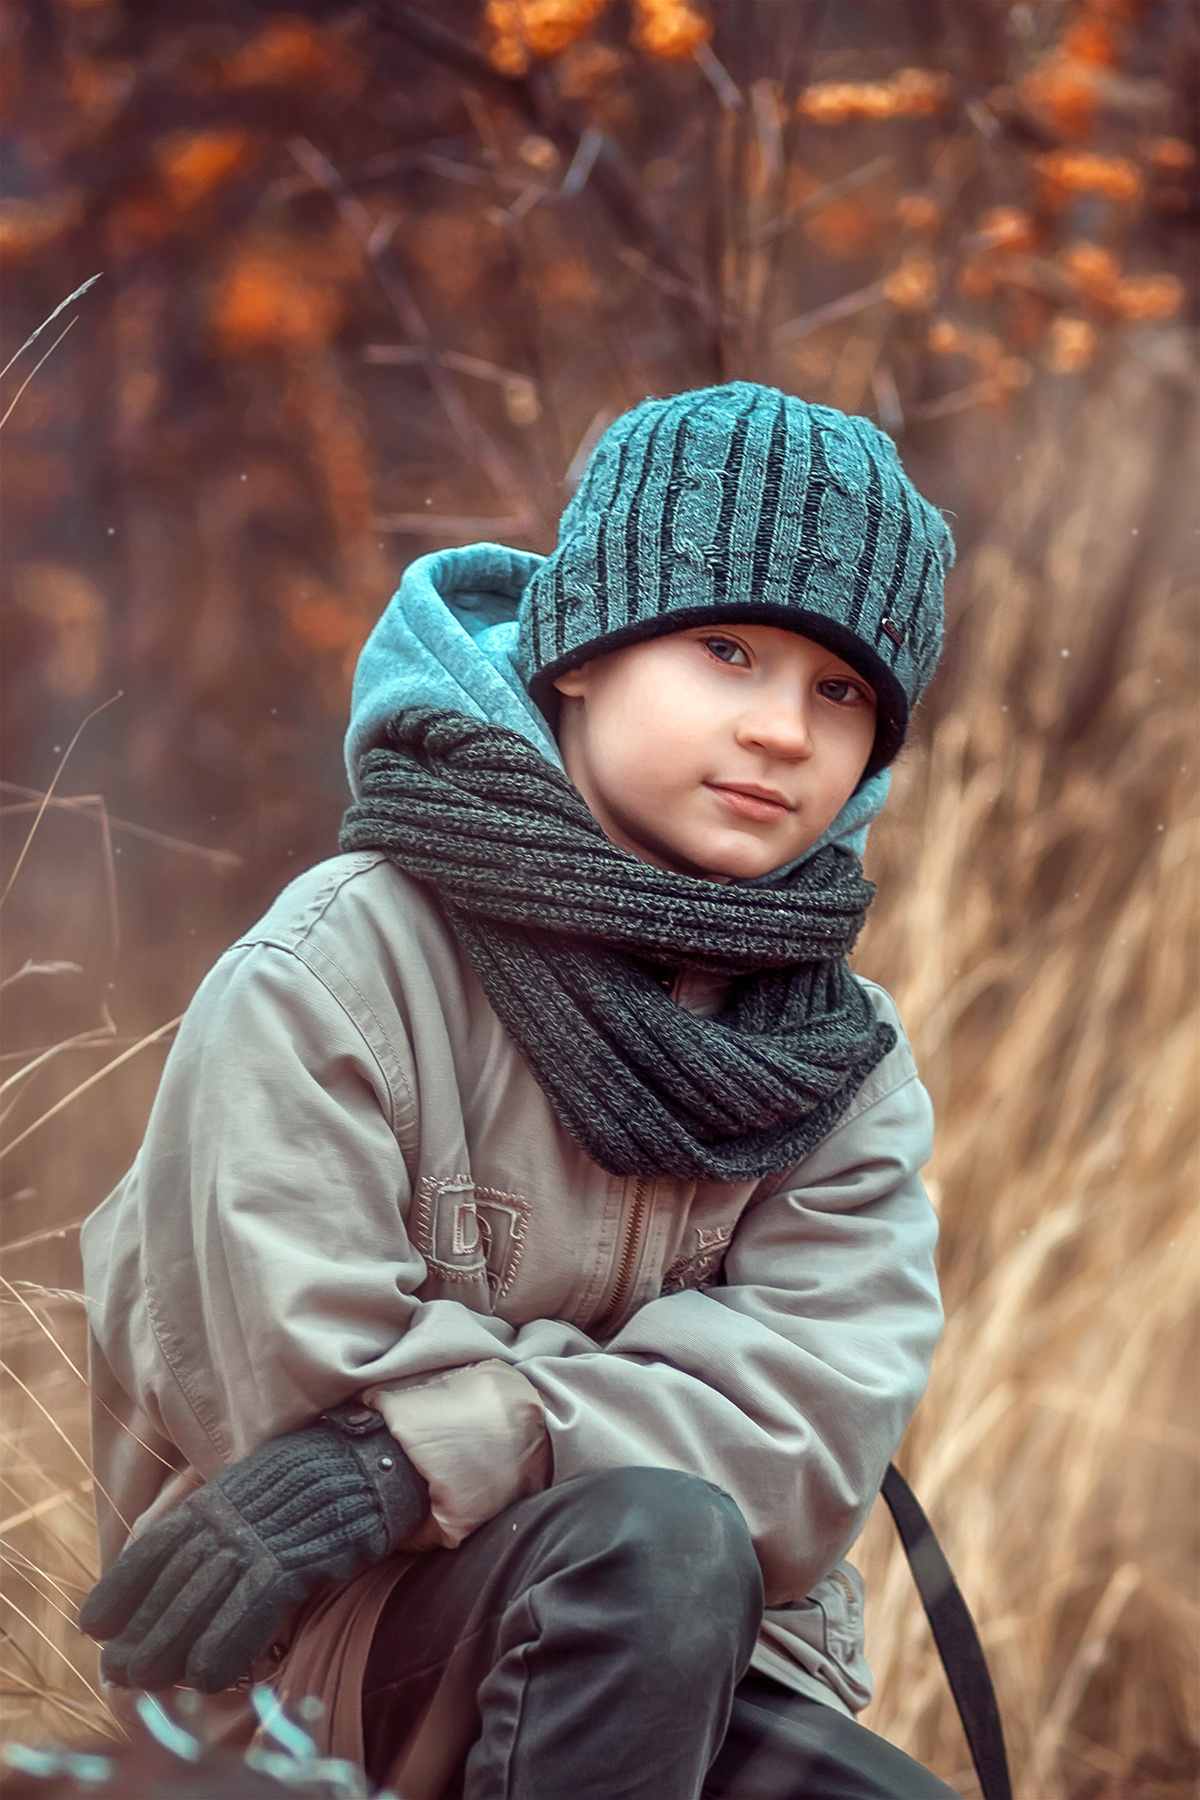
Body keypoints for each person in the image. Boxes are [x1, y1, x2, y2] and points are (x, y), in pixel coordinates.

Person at [80, 382, 960, 1799]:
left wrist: (423, 1446)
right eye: (727, 648)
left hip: (691, 1669)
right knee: (653, 1544)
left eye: (839, 689)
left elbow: (800, 1442)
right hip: (325, 1666)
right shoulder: (339, 965)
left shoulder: (840, 1055)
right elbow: (290, 1399)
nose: (785, 729)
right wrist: (420, 1458)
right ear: (582, 655)